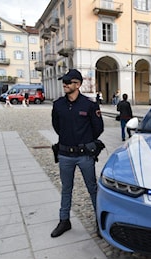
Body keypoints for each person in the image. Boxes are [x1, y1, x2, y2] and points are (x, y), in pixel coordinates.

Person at [50, 69, 104, 237]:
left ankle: (100, 223)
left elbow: (98, 128)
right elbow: (57, 126)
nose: (64, 84)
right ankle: (64, 220)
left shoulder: (89, 105)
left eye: (68, 81)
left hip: (84, 156)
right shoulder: (58, 104)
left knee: (92, 189)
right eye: (63, 81)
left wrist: (84, 141)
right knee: (66, 188)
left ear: (78, 84)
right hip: (65, 155)